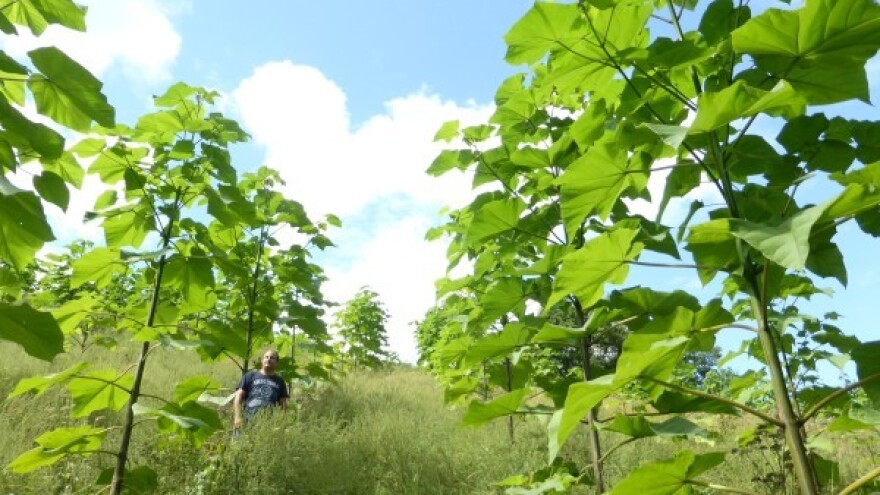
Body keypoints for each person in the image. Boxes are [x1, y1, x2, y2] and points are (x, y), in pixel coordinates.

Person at [233, 349, 289, 432]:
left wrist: (281, 422)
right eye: (266, 357)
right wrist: (237, 417)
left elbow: (283, 404)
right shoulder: (250, 375)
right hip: (247, 420)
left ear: (276, 362)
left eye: (272, 358)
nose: (268, 359)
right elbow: (238, 396)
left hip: (268, 424)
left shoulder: (279, 381)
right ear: (262, 360)